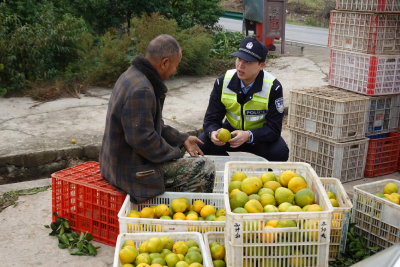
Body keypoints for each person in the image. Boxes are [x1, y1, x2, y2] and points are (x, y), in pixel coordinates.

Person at [99, 34, 215, 204]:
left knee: (183, 152)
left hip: (117, 163)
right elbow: (144, 140)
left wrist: (182, 139)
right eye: (176, 65)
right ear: (164, 63)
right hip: (128, 174)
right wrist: (174, 153)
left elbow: (152, 125)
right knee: (204, 168)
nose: (175, 71)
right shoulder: (142, 90)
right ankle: (192, 219)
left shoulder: (132, 75)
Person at [198, 37, 289, 161]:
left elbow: (274, 129)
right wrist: (213, 132)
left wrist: (249, 135)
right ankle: (227, 170)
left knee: (280, 151)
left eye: (248, 62)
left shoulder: (273, 87)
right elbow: (211, 118)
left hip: (258, 136)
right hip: (231, 134)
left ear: (261, 65)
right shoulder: (222, 82)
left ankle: (265, 178)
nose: (241, 65)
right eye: (239, 58)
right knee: (201, 143)